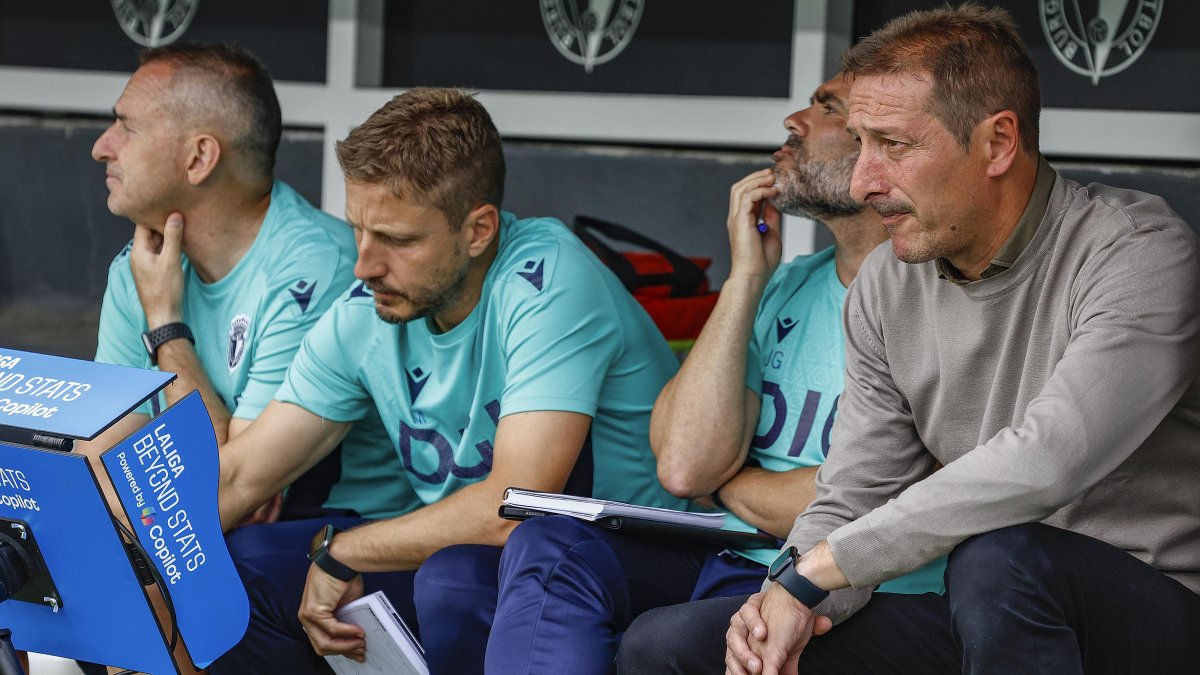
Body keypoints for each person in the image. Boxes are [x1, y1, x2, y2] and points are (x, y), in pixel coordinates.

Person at [632, 4, 1200, 673]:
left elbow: (1050, 458)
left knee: (999, 556)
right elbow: (851, 494)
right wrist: (783, 598)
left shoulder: (1138, 251)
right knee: (670, 646)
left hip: (1150, 614)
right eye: (861, 143)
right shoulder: (886, 283)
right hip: (980, 610)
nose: (864, 179)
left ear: (997, 143)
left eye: (893, 146)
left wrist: (829, 563)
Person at [205, 87, 693, 674]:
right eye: (359, 229)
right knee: (241, 568)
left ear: (479, 230)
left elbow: (511, 506)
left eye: (399, 240)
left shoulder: (548, 281)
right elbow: (239, 476)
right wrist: (131, 563)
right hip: (483, 561)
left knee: (452, 579)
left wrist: (346, 551)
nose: (364, 265)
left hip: (625, 567)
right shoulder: (372, 308)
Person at [613, 73, 945, 673]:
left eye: (826, 107)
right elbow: (686, 463)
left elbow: (880, 492)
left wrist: (730, 484)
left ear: (886, 147)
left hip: (879, 591)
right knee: (545, 549)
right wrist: (745, 281)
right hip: (732, 556)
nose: (794, 121)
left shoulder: (940, 301)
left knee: (662, 643)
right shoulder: (786, 281)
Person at [82, 43, 417, 524]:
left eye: (127, 127)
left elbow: (229, 483)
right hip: (199, 533)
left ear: (199, 158)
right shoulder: (140, 265)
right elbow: (100, 457)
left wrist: (165, 325)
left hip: (338, 541)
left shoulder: (319, 267)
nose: (102, 147)